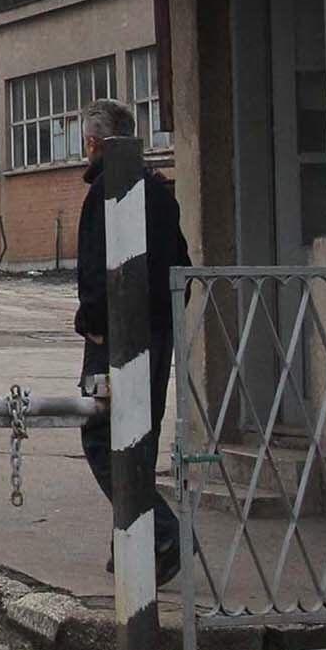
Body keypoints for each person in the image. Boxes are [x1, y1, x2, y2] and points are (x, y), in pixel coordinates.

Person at [75, 98, 191, 588]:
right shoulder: (158, 190)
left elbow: (100, 266)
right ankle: (132, 538)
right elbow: (180, 262)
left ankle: (161, 531)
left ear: (96, 142)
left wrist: (93, 320)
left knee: (103, 436)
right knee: (137, 437)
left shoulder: (108, 190)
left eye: (85, 142)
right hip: (158, 332)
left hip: (117, 338)